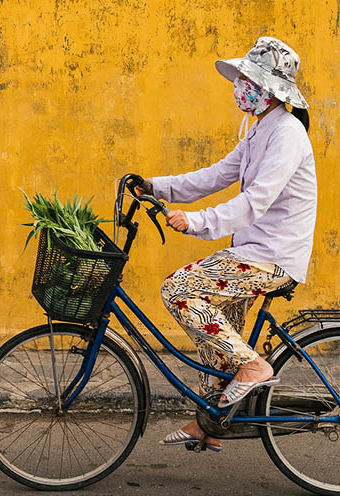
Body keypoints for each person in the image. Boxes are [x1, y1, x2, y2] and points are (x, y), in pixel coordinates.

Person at [134, 36, 316, 452]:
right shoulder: (258, 132)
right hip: (251, 252)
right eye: (242, 77)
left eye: (248, 78)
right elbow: (214, 175)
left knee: (178, 290)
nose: (239, 85)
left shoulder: (286, 134)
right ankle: (210, 423)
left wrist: (197, 221)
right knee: (216, 335)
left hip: (272, 257)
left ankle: (255, 367)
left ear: (270, 89)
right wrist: (154, 186)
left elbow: (255, 202)